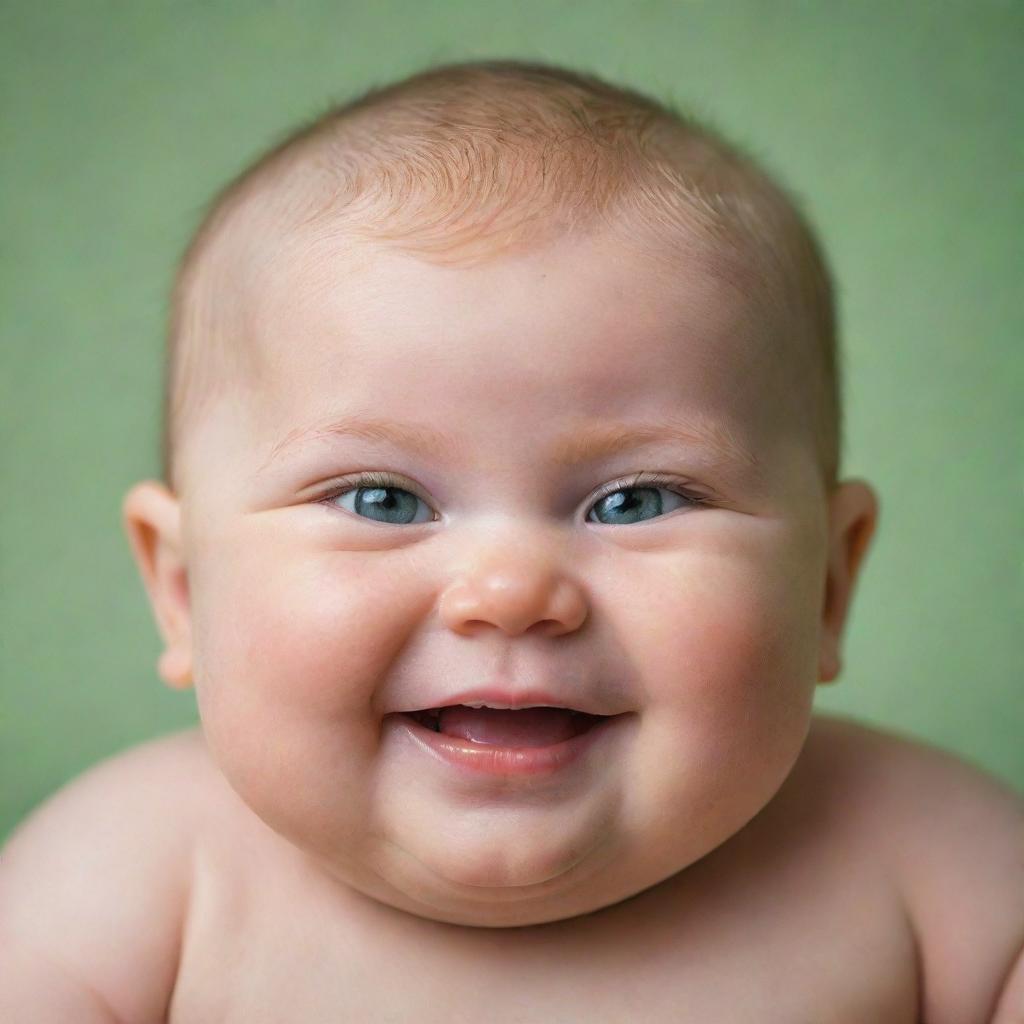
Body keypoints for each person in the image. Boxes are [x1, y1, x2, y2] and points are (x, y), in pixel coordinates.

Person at [2, 59, 1022, 1022]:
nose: (508, 590)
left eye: (636, 500)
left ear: (828, 585)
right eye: (381, 499)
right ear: (182, 587)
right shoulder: (125, 882)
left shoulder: (932, 861)